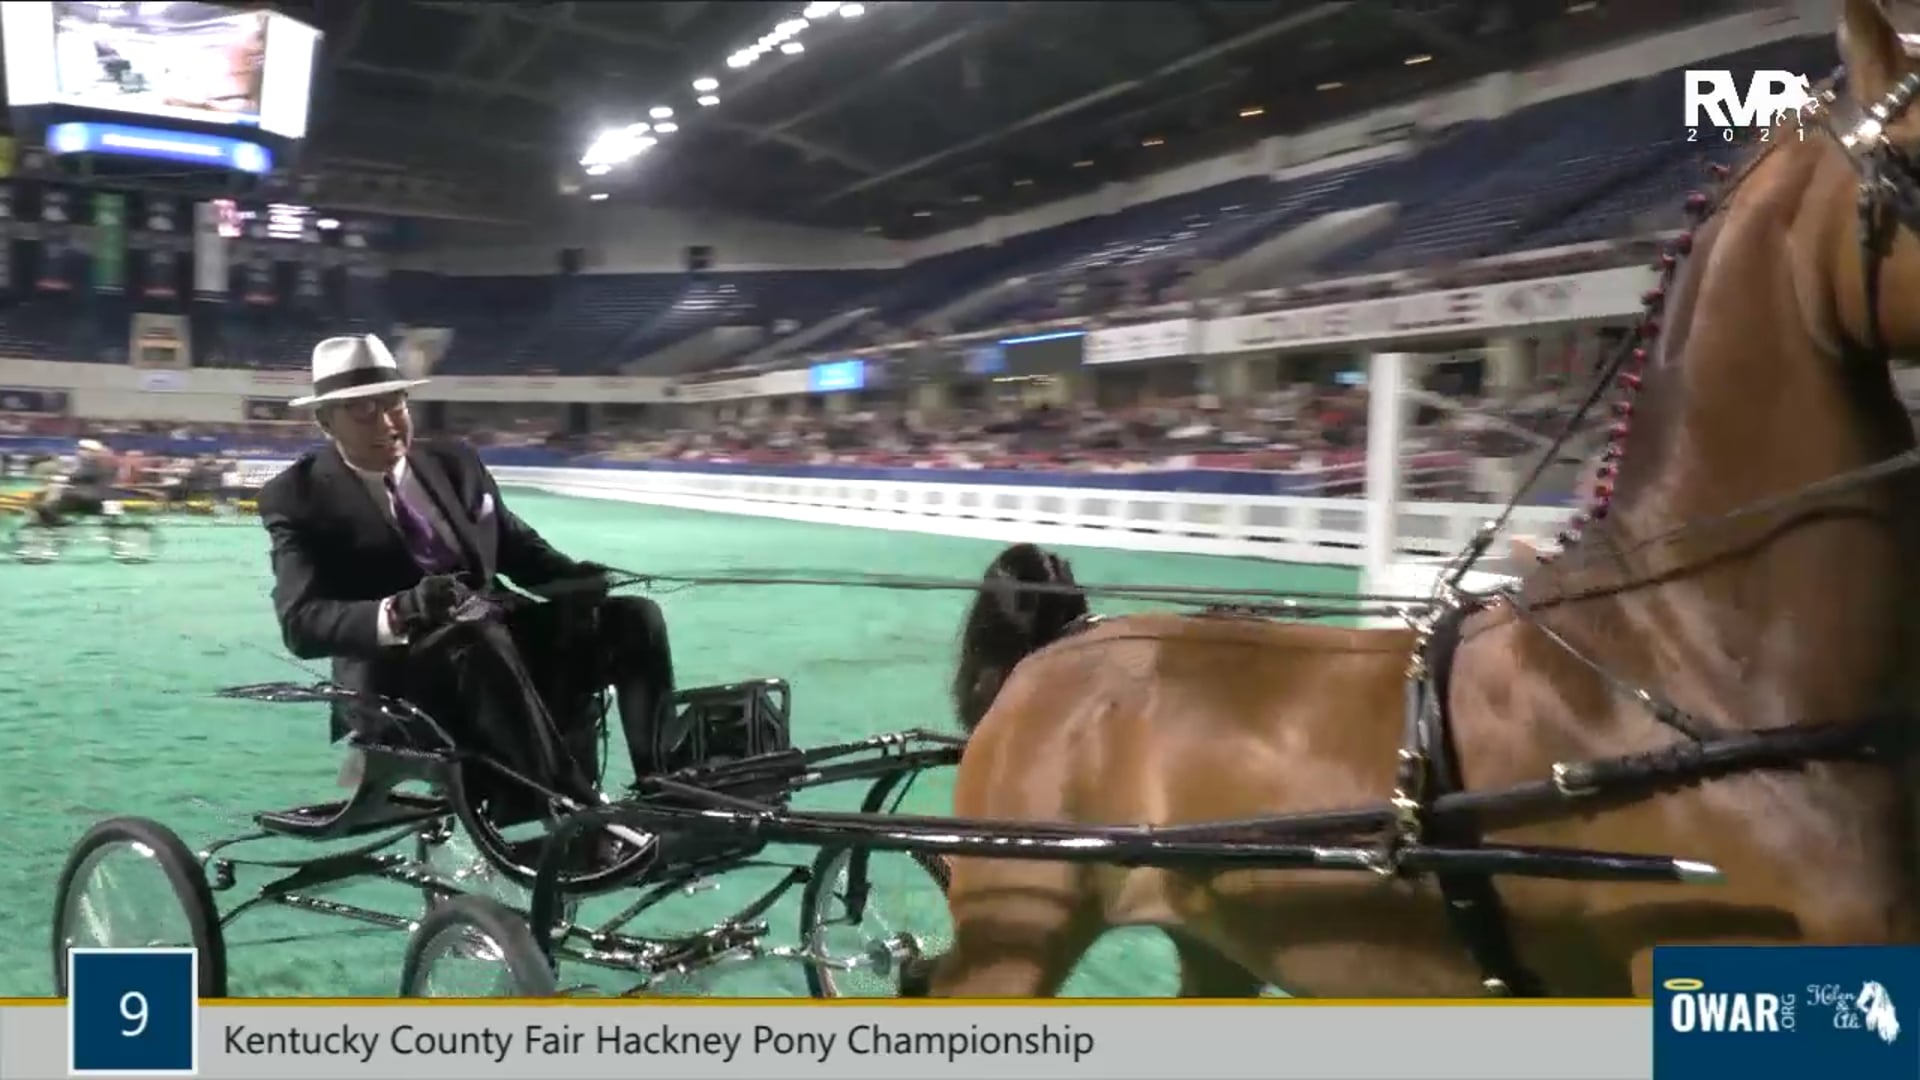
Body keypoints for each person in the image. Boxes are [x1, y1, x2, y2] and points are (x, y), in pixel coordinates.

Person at [256, 334, 678, 823]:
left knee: (633, 619)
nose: (388, 421)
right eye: (363, 410)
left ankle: (663, 783)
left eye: (395, 402)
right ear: (325, 422)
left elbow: (517, 548)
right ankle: (573, 810)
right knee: (477, 639)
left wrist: (575, 578)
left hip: (506, 644)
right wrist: (402, 610)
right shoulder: (295, 497)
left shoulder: (455, 463)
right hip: (405, 680)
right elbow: (302, 622)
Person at [32, 439, 114, 526]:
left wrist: (66, 479)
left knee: (52, 500)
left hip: (87, 497)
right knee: (54, 496)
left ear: (91, 451)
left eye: (82, 449)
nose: (79, 452)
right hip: (87, 496)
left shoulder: (93, 464)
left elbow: (81, 476)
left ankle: (52, 518)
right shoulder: (89, 463)